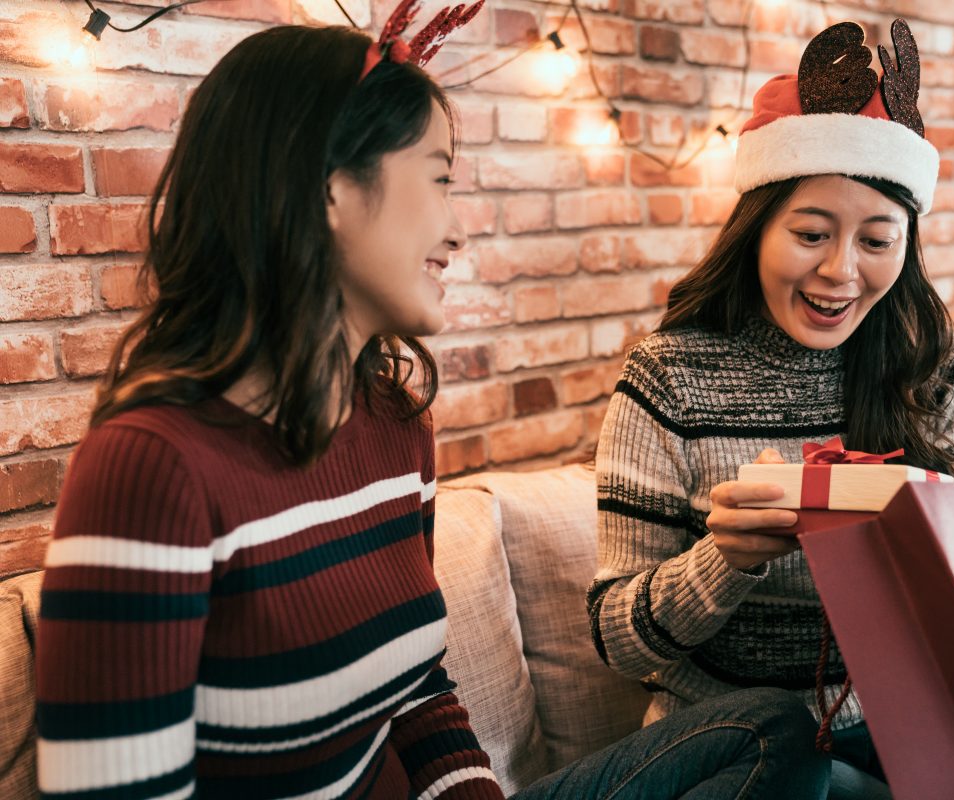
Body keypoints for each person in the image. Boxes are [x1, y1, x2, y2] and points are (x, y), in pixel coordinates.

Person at [33, 5, 823, 799]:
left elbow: (419, 693)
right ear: (329, 186)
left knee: (771, 728)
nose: (456, 231)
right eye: (441, 178)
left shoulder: (393, 422)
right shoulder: (149, 468)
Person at [589, 18, 954, 800]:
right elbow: (620, 643)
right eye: (811, 233)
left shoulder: (936, 366)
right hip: (741, 750)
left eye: (877, 241)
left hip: (913, 732)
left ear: (906, 245)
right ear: (756, 228)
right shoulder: (670, 379)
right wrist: (727, 562)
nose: (840, 272)